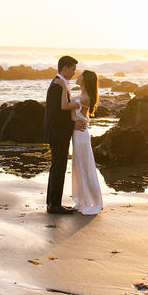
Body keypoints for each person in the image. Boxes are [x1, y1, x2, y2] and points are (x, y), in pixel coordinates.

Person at [43, 55, 83, 214]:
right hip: (57, 132)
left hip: (58, 131)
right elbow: (56, 114)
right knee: (58, 167)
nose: (74, 73)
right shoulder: (57, 86)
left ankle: (52, 202)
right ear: (65, 68)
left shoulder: (60, 84)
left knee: (57, 167)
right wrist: (73, 124)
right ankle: (54, 205)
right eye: (73, 69)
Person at [70, 69, 103, 215]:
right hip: (78, 134)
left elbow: (64, 106)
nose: (78, 76)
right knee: (80, 166)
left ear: (85, 80)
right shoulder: (82, 96)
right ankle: (84, 200)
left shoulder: (83, 98)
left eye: (81, 75)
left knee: (84, 167)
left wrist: (63, 86)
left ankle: (91, 202)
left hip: (81, 134)